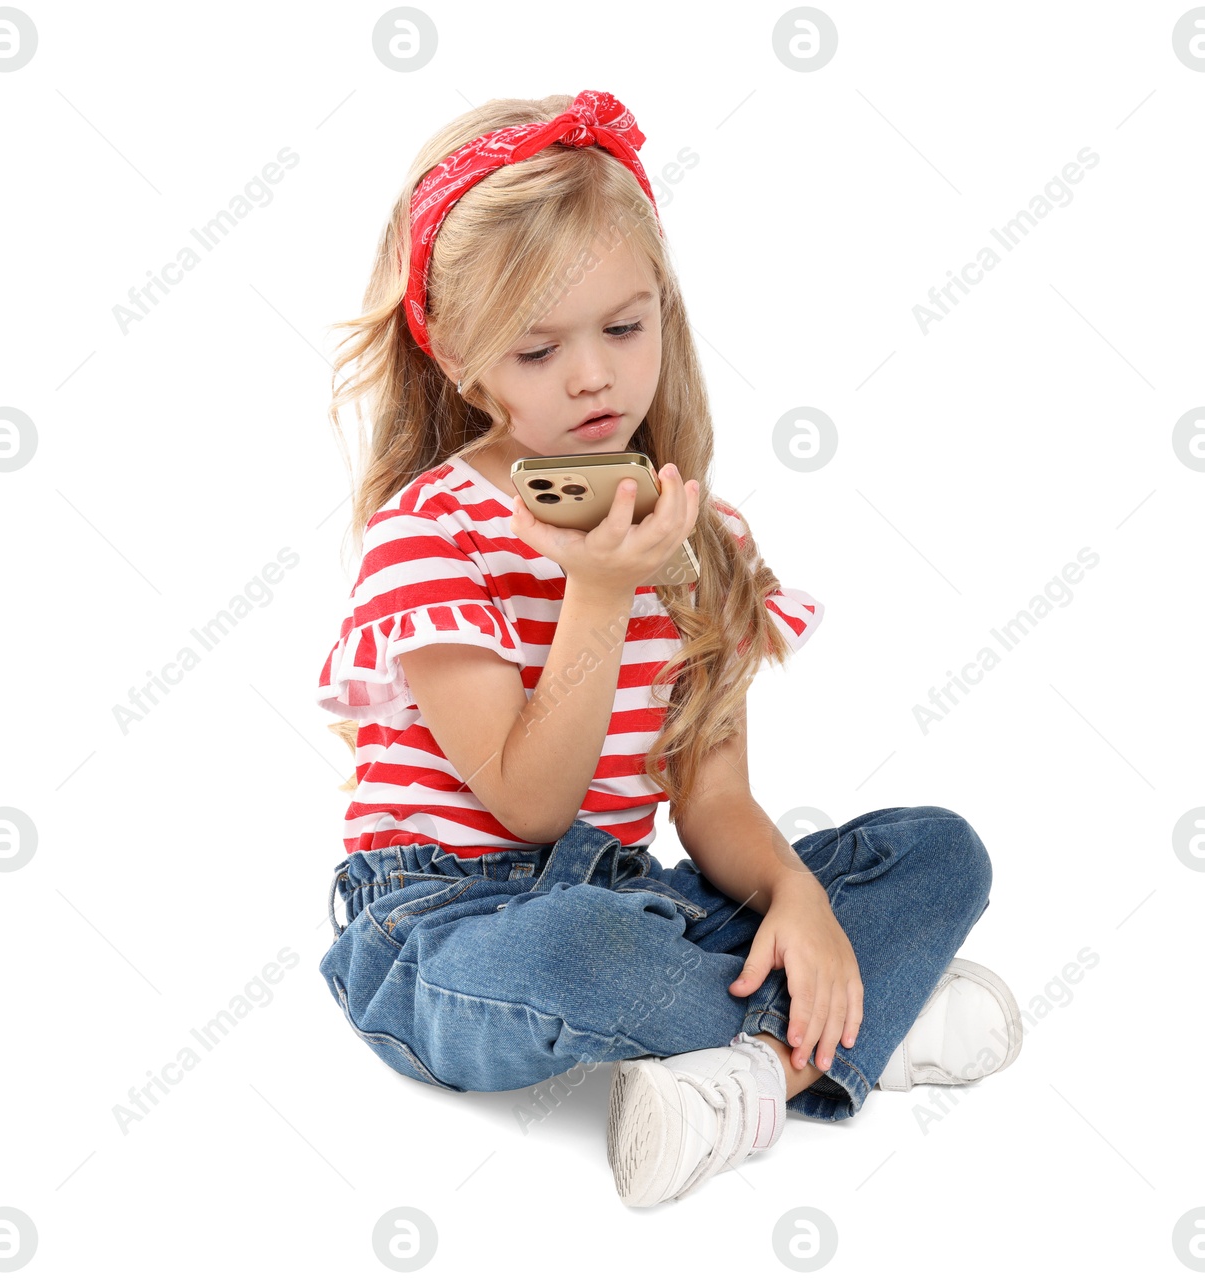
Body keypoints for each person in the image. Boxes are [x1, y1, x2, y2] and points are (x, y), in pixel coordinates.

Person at [314, 89, 1024, 1209]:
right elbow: (531, 807)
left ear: (664, 312)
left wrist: (794, 894)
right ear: (458, 356)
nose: (592, 374)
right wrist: (595, 592)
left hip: (629, 893)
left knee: (939, 850)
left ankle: (748, 1066)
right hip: (445, 929)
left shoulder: (702, 538)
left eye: (623, 326)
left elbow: (715, 806)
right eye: (538, 347)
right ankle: (855, 1030)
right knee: (576, 944)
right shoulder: (431, 535)